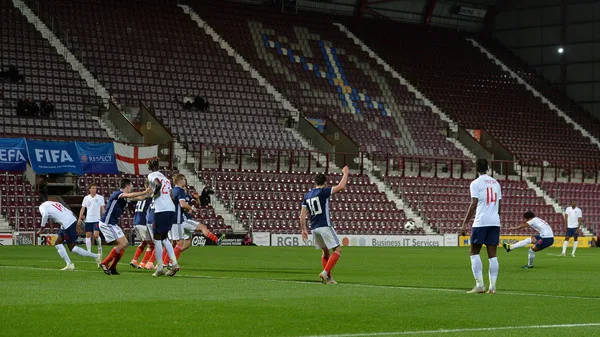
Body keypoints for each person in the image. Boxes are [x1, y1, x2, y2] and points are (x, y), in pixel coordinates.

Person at [300, 166, 349, 284]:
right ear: (325, 182)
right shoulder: (324, 192)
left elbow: (302, 215)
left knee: (325, 252)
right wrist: (345, 173)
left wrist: (303, 229)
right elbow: (341, 187)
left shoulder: (307, 195)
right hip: (325, 225)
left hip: (314, 228)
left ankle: (328, 278)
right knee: (337, 250)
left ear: (315, 182)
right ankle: (325, 272)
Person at [163, 174, 224, 268]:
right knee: (182, 241)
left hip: (172, 220)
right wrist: (191, 208)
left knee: (185, 243)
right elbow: (183, 205)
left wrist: (197, 199)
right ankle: (171, 263)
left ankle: (166, 261)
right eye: (184, 180)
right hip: (182, 220)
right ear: (181, 181)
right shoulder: (180, 191)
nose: (185, 182)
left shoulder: (173, 191)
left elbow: (196, 204)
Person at [460, 158, 501, 294]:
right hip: (494, 221)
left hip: (481, 222)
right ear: (488, 168)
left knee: (474, 252)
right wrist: (496, 218)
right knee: (492, 255)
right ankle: (493, 287)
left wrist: (465, 223)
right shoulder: (496, 183)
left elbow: (473, 203)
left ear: (476, 169)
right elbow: (499, 206)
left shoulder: (475, 183)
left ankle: (480, 285)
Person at [98, 179, 151, 275]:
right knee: (122, 244)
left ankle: (113, 267)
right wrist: (144, 191)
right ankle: (105, 263)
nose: (131, 188)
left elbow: (139, 198)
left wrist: (150, 194)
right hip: (107, 222)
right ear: (127, 186)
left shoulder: (125, 197)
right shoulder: (117, 194)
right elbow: (130, 195)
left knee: (125, 244)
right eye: (130, 186)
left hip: (112, 223)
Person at [37, 200, 102, 270]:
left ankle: (96, 256)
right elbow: (69, 211)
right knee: (58, 243)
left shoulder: (42, 207)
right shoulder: (53, 203)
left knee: (72, 248)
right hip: (67, 221)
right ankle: (69, 264)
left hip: (67, 224)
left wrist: (41, 229)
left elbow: (45, 215)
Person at [147, 157, 179, 277]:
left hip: (161, 210)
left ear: (150, 167)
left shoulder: (151, 176)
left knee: (157, 238)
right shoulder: (166, 178)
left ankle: (160, 267)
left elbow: (158, 184)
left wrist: (153, 195)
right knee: (165, 238)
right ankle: (174, 264)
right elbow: (171, 196)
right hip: (171, 209)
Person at [130, 182, 154, 269]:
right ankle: (144, 263)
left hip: (136, 223)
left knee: (144, 242)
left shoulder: (142, 196)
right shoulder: (150, 198)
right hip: (143, 223)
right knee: (154, 244)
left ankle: (134, 260)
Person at [78, 183, 105, 256]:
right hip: (88, 220)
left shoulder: (100, 198)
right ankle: (89, 252)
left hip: (97, 220)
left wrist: (103, 218)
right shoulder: (86, 198)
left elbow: (103, 209)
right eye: (93, 188)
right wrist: (79, 218)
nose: (94, 190)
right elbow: (83, 208)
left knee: (96, 235)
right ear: (89, 189)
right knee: (88, 235)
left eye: (95, 188)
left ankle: (99, 247)